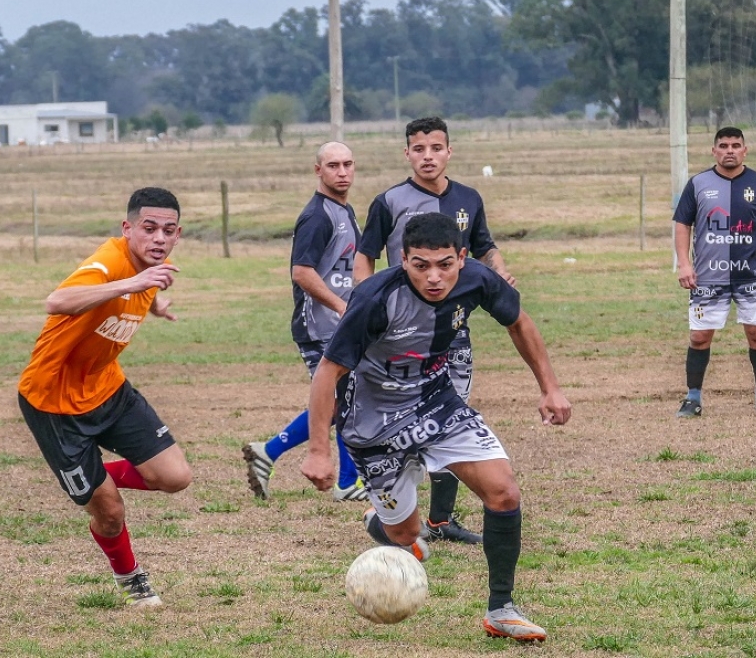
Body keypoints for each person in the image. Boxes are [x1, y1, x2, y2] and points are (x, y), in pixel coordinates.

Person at [301, 213, 571, 642]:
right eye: (421, 264)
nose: (434, 277)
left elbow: (518, 321)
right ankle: (383, 523)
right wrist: (319, 450)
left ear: (462, 258)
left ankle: (501, 609)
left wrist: (550, 388)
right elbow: (327, 373)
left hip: (437, 404)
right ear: (402, 259)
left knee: (504, 492)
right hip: (374, 424)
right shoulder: (373, 298)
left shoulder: (477, 279)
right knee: (406, 535)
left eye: (445, 264)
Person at [18, 187, 192, 607]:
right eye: (149, 229)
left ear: (178, 234)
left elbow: (140, 289)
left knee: (175, 477)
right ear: (127, 228)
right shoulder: (110, 262)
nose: (158, 239)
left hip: (108, 389)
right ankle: (130, 577)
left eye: (168, 231)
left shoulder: (152, 266)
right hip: (54, 403)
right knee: (110, 513)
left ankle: (96, 478)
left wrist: (154, 302)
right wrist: (129, 283)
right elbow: (56, 300)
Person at [353, 116, 514, 545]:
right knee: (407, 421)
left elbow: (484, 245)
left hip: (454, 329)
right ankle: (394, 508)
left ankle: (441, 521)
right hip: (399, 333)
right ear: (407, 153)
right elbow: (365, 255)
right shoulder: (388, 201)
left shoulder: (468, 197)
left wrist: (499, 269)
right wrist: (362, 302)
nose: (428, 157)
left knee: (452, 413)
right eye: (419, 149)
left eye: (436, 148)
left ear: (449, 151)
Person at [242, 141, 366, 502]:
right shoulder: (317, 216)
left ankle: (269, 451)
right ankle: (346, 482)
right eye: (333, 166)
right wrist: (341, 307)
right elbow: (302, 272)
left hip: (339, 324)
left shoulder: (345, 210)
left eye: (347, 164)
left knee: (343, 398)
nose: (342, 172)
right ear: (318, 171)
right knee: (343, 399)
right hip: (319, 327)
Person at [673, 126, 756, 418]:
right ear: (714, 150)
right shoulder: (698, 183)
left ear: (745, 150)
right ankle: (693, 399)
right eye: (724, 145)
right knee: (700, 337)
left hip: (750, 275)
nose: (730, 150)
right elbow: (682, 224)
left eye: (735, 145)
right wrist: (684, 263)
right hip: (707, 277)